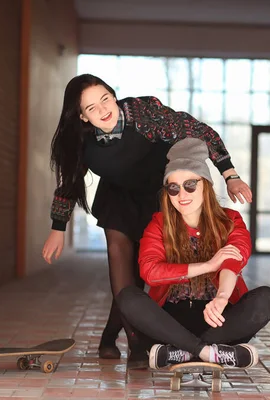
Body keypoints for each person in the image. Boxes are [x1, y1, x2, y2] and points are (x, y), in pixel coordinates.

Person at [41, 74, 253, 368]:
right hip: (117, 200)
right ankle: (136, 345)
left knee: (141, 275)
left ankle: (108, 335)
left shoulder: (143, 112)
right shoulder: (80, 142)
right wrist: (57, 228)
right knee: (121, 268)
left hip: (159, 198)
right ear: (82, 116)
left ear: (113, 95)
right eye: (92, 108)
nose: (103, 110)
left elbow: (199, 131)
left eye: (105, 98)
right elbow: (67, 184)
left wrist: (230, 175)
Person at [116, 138, 270, 369]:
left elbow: (234, 259)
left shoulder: (230, 220)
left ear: (205, 185)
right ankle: (208, 353)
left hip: (218, 320)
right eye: (174, 188)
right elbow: (150, 272)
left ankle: (181, 354)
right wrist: (208, 265)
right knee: (128, 297)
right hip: (169, 326)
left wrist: (222, 297)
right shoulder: (158, 224)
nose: (182, 194)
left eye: (190, 184)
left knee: (266, 298)